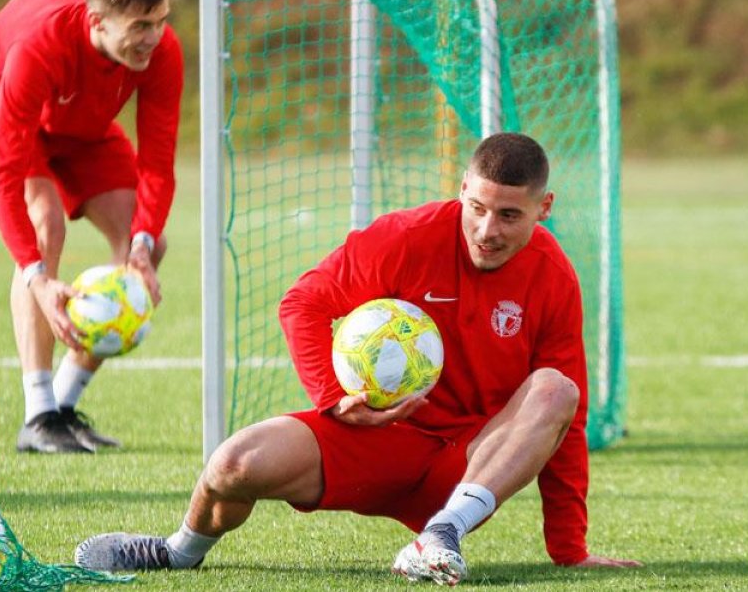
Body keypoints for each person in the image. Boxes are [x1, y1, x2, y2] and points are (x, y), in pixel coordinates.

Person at [74, 133, 642, 584]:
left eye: (509, 216)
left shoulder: (554, 276)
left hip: (467, 465)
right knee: (233, 464)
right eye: (476, 207)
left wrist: (569, 548)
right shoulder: (406, 236)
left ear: (543, 207)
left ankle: (441, 536)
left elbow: (568, 416)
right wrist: (333, 401)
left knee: (556, 388)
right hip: (376, 437)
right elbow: (304, 303)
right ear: (463, 187)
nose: (486, 230)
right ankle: (178, 552)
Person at [0, 0, 184, 454]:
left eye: (160, 22)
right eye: (141, 26)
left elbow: (157, 161)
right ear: (97, 21)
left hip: (80, 126)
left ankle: (62, 406)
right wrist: (38, 278)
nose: (154, 37)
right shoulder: (38, 49)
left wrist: (143, 247)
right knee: (46, 229)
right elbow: (4, 176)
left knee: (147, 241)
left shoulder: (161, 51)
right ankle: (37, 414)